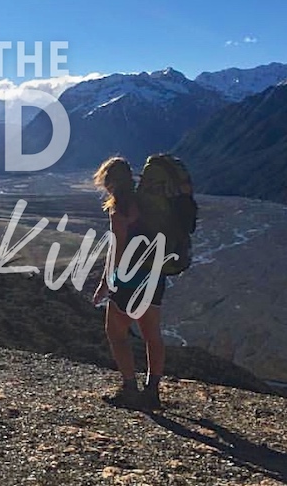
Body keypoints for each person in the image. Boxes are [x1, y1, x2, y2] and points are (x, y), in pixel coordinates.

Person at [92, 156, 166, 410]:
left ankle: (129, 388)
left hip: (129, 279)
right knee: (152, 335)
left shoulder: (119, 209)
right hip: (154, 276)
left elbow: (118, 251)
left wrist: (106, 282)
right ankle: (152, 391)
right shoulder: (148, 203)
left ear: (109, 181)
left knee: (116, 333)